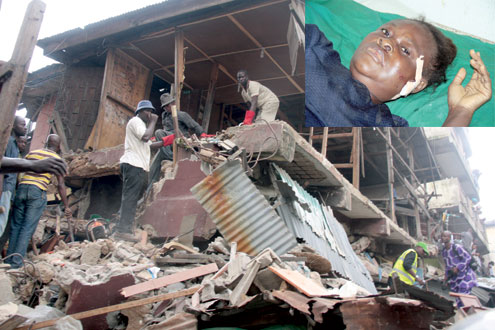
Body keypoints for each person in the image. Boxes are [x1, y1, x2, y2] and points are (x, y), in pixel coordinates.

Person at [305, 19, 492, 127]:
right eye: (386, 32)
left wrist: (462, 111)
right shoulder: (314, 45)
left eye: (405, 50)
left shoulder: (387, 127)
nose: (385, 42)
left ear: (416, 84)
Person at [5, 134, 71, 268]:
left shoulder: (32, 153)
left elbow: (19, 171)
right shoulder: (56, 159)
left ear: (46, 142)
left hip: (22, 189)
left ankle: (8, 261)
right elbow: (60, 185)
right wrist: (66, 205)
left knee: (16, 226)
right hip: (37, 191)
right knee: (27, 228)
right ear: (58, 147)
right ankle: (17, 264)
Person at [117, 100, 164, 236]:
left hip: (139, 166)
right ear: (139, 112)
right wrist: (154, 121)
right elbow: (146, 137)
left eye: (151, 112)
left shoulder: (142, 126)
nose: (150, 114)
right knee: (130, 198)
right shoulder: (136, 122)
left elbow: (150, 144)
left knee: (132, 198)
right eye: (147, 111)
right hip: (133, 164)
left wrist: (168, 141)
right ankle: (122, 230)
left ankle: (125, 228)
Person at [148, 92, 211, 186]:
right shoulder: (164, 116)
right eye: (164, 106)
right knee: (154, 166)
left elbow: (194, 125)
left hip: (180, 139)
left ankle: (170, 156)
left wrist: (203, 134)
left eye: (167, 105)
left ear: (173, 104)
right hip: (167, 143)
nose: (166, 108)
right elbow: (165, 131)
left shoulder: (182, 115)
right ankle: (150, 186)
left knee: (158, 132)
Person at [0, 116, 26, 236]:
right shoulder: (9, 142)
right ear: (14, 126)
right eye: (22, 125)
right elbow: (4, 168)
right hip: (4, 188)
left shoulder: (15, 146)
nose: (25, 128)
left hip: (8, 189)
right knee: (1, 222)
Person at [440, 230, 477, 307]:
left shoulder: (457, 247)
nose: (443, 238)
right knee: (458, 299)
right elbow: (447, 266)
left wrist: (458, 268)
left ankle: (467, 315)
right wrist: (445, 278)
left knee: (463, 299)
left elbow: (467, 257)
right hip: (455, 279)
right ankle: (465, 314)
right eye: (442, 236)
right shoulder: (444, 251)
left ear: (449, 238)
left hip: (465, 277)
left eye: (445, 236)